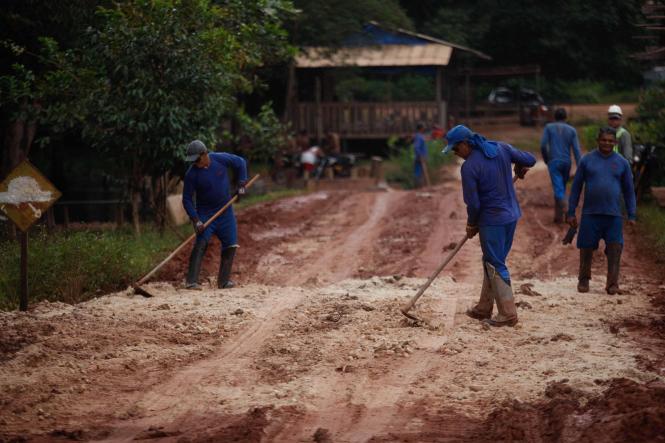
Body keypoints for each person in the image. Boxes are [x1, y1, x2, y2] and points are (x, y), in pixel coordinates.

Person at [443, 125, 536, 327]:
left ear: (466, 144)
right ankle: (483, 308)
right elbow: (530, 159)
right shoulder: (501, 148)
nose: (455, 153)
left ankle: (508, 314)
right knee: (492, 260)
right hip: (511, 216)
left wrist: (471, 223)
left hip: (492, 220)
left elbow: (473, 204)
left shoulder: (469, 167)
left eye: (455, 149)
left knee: (495, 263)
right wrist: (519, 166)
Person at [567, 127, 636, 295]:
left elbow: (629, 190)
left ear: (615, 142)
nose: (607, 143)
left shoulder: (622, 163)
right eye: (604, 140)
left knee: (615, 248)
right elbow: (576, 187)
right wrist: (571, 212)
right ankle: (583, 280)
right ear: (598, 141)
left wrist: (632, 214)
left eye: (610, 141)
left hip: (614, 214)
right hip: (591, 213)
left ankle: (612, 284)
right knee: (586, 247)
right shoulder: (587, 160)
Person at [182, 140, 248, 290]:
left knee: (231, 244)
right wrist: (196, 219)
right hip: (205, 213)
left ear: (205, 154)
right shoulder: (191, 174)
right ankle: (191, 282)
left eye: (197, 160)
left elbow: (240, 162)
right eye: (193, 161)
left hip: (225, 211)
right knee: (201, 243)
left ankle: (223, 282)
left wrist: (242, 183)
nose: (195, 164)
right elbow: (186, 199)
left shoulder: (220, 158)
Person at [540, 108, 582, 223]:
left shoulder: (549, 128)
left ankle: (567, 207)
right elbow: (577, 150)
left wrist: (546, 159)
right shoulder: (572, 130)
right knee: (561, 188)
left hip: (554, 161)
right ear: (565, 117)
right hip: (566, 162)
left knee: (558, 189)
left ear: (554, 117)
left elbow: (543, 145)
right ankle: (558, 217)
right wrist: (581, 167)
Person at [413, 123, 428, 188]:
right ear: (420, 128)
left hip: (422, 157)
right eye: (423, 127)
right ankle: (418, 187)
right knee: (418, 172)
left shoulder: (420, 136)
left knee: (421, 172)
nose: (424, 128)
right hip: (419, 157)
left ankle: (422, 187)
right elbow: (416, 147)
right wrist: (420, 155)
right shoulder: (418, 136)